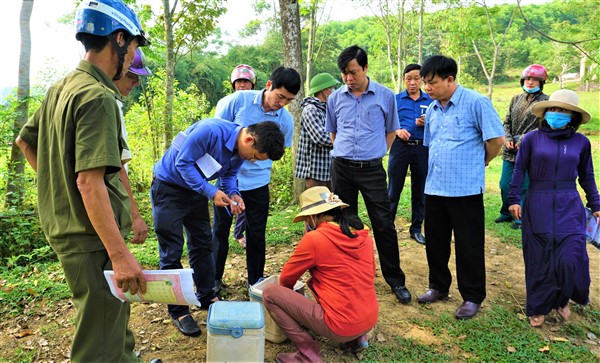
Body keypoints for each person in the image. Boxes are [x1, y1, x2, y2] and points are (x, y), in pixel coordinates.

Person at [15, 0, 157, 361]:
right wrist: (120, 255)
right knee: (98, 344)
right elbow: (89, 183)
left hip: (70, 229)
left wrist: (58, 184)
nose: (132, 60)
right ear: (120, 40)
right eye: (135, 49)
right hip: (91, 240)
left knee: (110, 318)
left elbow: (25, 142)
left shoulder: (62, 87)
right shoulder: (98, 97)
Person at [152, 119, 284, 337]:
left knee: (203, 245)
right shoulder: (210, 132)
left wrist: (233, 194)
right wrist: (211, 192)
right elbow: (183, 163)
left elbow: (229, 175)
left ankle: (207, 296)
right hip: (169, 189)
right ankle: (179, 311)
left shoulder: (239, 150)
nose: (250, 161)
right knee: (172, 251)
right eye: (253, 156)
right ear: (249, 139)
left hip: (197, 192)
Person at [416, 55, 504, 320]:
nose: (427, 88)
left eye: (432, 83)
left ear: (450, 79)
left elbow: (497, 140)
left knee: (469, 245)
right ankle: (438, 286)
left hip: (465, 190)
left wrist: (482, 162)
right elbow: (432, 146)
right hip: (435, 188)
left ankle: (472, 296)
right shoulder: (431, 110)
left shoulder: (476, 102)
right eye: (425, 83)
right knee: (436, 242)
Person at [326, 45, 411, 304]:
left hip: (372, 170)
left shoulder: (385, 96)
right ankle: (346, 277)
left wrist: (376, 154)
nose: (349, 78)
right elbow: (333, 132)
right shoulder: (335, 98)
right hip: (341, 168)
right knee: (342, 222)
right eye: (344, 73)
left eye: (353, 72)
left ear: (365, 68)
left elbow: (391, 131)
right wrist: (344, 152)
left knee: (383, 224)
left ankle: (395, 280)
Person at [508, 89, 599, 328]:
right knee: (540, 257)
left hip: (569, 203)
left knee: (571, 256)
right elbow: (519, 171)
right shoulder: (531, 139)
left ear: (573, 116)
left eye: (563, 110)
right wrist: (514, 199)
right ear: (545, 112)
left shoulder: (582, 142)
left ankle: (561, 299)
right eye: (553, 109)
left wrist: (596, 204)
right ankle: (539, 305)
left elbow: (587, 176)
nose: (557, 113)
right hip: (537, 201)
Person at [263, 187, 378, 363]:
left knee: (270, 293)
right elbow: (368, 273)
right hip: (369, 317)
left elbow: (286, 279)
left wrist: (290, 304)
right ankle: (358, 338)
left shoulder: (315, 239)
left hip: (341, 326)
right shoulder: (362, 233)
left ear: (312, 216)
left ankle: (307, 355)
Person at [212, 67, 301, 292]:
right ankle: (214, 280)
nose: (281, 104)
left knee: (256, 233)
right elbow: (218, 133)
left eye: (288, 100)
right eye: (280, 96)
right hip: (227, 180)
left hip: (259, 183)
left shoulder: (285, 119)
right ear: (268, 85)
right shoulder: (238, 101)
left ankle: (255, 282)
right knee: (220, 231)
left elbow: (278, 152)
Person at [496, 64, 549, 229]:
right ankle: (506, 212)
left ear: (541, 82)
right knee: (505, 184)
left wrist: (525, 139)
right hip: (510, 149)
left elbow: (544, 126)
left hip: (530, 149)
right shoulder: (515, 99)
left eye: (535, 79)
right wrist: (508, 138)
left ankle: (520, 218)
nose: (531, 82)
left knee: (524, 186)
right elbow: (507, 121)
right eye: (528, 78)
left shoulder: (547, 101)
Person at [387, 63, 433, 245]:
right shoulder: (396, 100)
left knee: (420, 190)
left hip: (422, 147)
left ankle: (416, 229)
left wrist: (427, 123)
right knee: (393, 188)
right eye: (409, 79)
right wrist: (398, 130)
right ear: (404, 80)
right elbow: (387, 122)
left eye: (416, 78)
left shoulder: (430, 100)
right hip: (400, 147)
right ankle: (387, 227)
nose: (412, 82)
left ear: (422, 79)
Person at [114, 48, 152, 246]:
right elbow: (116, 165)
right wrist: (135, 215)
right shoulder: (105, 102)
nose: (136, 83)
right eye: (131, 76)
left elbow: (24, 141)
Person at [227, 64, 258, 249]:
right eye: (239, 82)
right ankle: (234, 234)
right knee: (229, 203)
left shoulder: (255, 107)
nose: (242, 85)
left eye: (246, 81)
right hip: (230, 166)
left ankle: (239, 233)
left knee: (245, 206)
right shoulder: (229, 104)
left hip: (252, 169)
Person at [295, 73, 339, 189]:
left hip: (329, 169)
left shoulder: (327, 108)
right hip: (315, 172)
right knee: (319, 205)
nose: (333, 90)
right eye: (331, 88)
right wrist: (344, 139)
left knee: (333, 205)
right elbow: (320, 137)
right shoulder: (310, 110)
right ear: (324, 90)